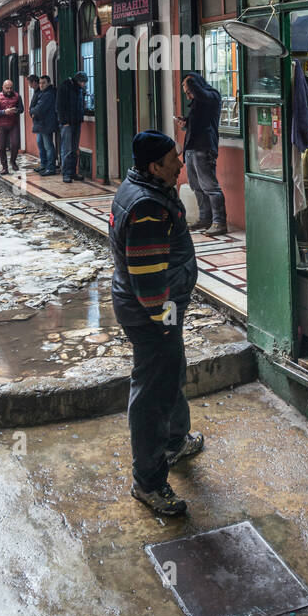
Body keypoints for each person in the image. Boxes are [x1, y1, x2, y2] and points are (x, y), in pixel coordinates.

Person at [109, 130, 204, 516]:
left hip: (158, 311)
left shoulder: (142, 187)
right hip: (153, 313)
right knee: (152, 394)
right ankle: (148, 482)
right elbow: (149, 284)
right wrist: (165, 323)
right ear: (154, 167)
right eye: (173, 159)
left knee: (171, 374)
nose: (180, 163)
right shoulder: (147, 207)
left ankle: (175, 441)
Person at [175, 72, 227, 235]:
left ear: (195, 85)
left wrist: (189, 82)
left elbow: (201, 95)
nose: (188, 96)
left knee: (210, 186)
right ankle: (205, 218)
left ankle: (219, 222)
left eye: (188, 91)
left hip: (204, 147)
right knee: (196, 186)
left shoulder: (211, 96)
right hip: (191, 148)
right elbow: (199, 121)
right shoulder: (198, 101)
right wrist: (186, 122)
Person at [56, 70, 88, 183]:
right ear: (78, 81)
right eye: (83, 82)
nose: (84, 85)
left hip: (76, 122)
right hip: (67, 123)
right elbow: (59, 105)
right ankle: (66, 173)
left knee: (74, 149)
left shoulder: (79, 89)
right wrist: (64, 121)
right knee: (67, 149)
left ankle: (73, 172)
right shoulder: (65, 86)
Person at [0, 77, 24, 174]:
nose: (9, 90)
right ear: (3, 87)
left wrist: (15, 110)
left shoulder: (17, 96)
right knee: (2, 147)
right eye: (7, 88)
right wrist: (4, 112)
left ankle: (13, 162)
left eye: (10, 88)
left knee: (15, 144)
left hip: (13, 124)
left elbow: (21, 109)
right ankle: (4, 167)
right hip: (2, 125)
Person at [29, 74, 58, 175]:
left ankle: (51, 168)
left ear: (48, 83)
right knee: (41, 144)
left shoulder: (48, 94)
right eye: (40, 83)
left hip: (46, 124)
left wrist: (32, 110)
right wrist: (32, 110)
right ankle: (44, 164)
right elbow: (34, 108)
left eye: (43, 83)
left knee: (48, 146)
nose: (41, 85)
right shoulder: (42, 93)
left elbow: (39, 109)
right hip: (41, 124)